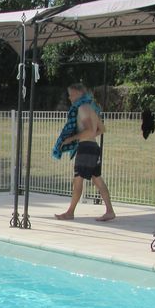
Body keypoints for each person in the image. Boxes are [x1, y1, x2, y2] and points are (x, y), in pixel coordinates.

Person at [53, 82, 116, 222]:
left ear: (79, 93)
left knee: (78, 180)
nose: (70, 97)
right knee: (97, 179)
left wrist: (72, 139)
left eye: (71, 94)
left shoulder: (82, 108)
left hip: (86, 148)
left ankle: (70, 212)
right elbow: (101, 129)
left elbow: (89, 130)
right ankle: (110, 211)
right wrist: (87, 137)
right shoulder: (91, 107)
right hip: (93, 146)